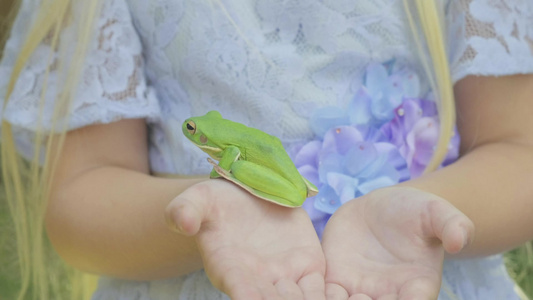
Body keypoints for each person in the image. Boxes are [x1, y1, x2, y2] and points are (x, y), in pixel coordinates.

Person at [1, 0, 532, 299]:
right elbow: (82, 194)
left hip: (410, 269)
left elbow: (520, 154)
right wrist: (216, 206)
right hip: (213, 267)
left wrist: (417, 209)